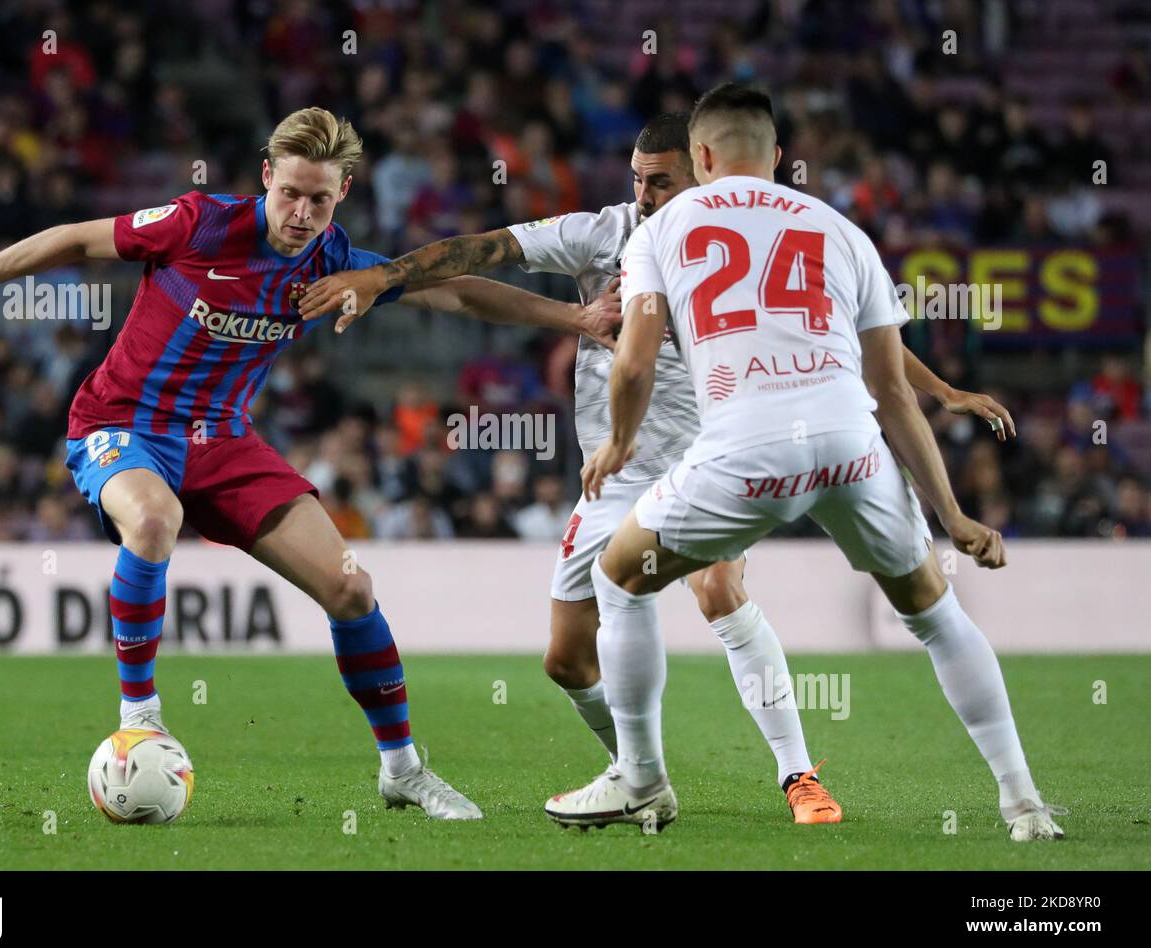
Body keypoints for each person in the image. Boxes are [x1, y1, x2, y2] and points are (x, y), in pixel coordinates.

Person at [0, 106, 618, 822]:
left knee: (351, 589)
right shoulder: (200, 222)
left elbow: (459, 291)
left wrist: (577, 319)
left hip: (225, 443)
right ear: (266, 177)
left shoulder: (337, 264)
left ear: (345, 196)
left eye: (320, 200)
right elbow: (73, 241)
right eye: (290, 194)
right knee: (153, 520)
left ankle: (403, 769)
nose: (302, 213)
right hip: (121, 424)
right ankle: (139, 717)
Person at [299, 112, 1015, 825]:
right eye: (638, 181)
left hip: (718, 455)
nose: (644, 196)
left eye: (661, 181)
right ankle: (636, 769)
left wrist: (941, 391)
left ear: (704, 168)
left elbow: (855, 332)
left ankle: (798, 776)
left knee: (719, 588)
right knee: (567, 660)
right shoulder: (603, 234)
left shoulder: (741, 238)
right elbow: (482, 252)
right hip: (620, 473)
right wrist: (383, 275)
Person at [558, 83, 1060, 841]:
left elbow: (632, 364)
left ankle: (642, 778)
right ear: (778, 157)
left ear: (700, 157)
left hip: (744, 448)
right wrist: (951, 514)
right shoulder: (843, 231)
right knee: (934, 613)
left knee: (618, 577)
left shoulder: (660, 230)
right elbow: (892, 393)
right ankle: (1024, 803)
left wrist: (621, 442)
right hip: (849, 445)